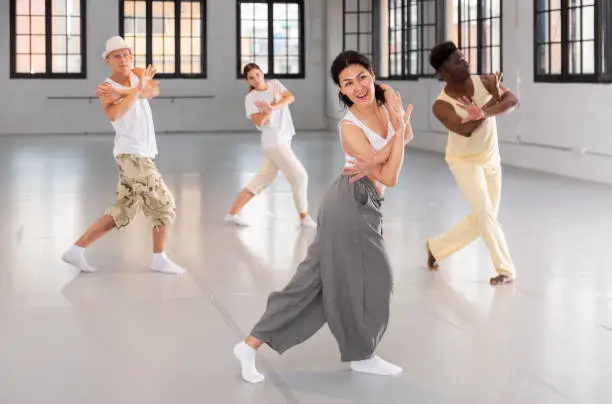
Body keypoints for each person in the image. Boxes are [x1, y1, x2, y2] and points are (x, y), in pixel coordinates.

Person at [232, 50, 413, 383]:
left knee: (314, 283)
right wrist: (396, 135)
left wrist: (396, 133)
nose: (358, 86)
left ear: (373, 75)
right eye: (348, 83)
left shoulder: (387, 107)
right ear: (341, 91)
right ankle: (362, 353)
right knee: (377, 279)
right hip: (349, 204)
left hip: (364, 205)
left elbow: (396, 153)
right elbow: (390, 177)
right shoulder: (349, 126)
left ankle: (250, 345)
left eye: (362, 77)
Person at [61, 36, 185, 275]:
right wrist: (133, 90)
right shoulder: (107, 88)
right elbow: (115, 114)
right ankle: (159, 258)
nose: (123, 59)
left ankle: (76, 250)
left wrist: (130, 89)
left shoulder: (137, 73)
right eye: (117, 56)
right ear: (108, 61)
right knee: (164, 204)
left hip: (143, 153)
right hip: (131, 155)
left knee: (123, 210)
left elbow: (153, 91)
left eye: (126, 54)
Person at [425, 41, 519, 286]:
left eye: (463, 56)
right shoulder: (441, 105)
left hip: (491, 157)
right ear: (445, 72)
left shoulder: (484, 81)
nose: (465, 61)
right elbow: (463, 129)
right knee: (486, 215)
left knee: (484, 218)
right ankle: (505, 269)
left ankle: (436, 247)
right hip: (464, 162)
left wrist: (490, 105)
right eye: (458, 61)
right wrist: (489, 105)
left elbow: (512, 100)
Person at [225, 63, 316, 228]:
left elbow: (290, 98)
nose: (256, 79)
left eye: (258, 75)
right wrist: (268, 111)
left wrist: (273, 104)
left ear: (262, 73)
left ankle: (231, 214)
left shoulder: (275, 84)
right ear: (248, 81)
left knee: (263, 178)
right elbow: (259, 121)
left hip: (284, 138)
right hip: (274, 141)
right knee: (300, 176)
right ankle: (304, 216)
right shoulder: (250, 98)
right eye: (252, 78)